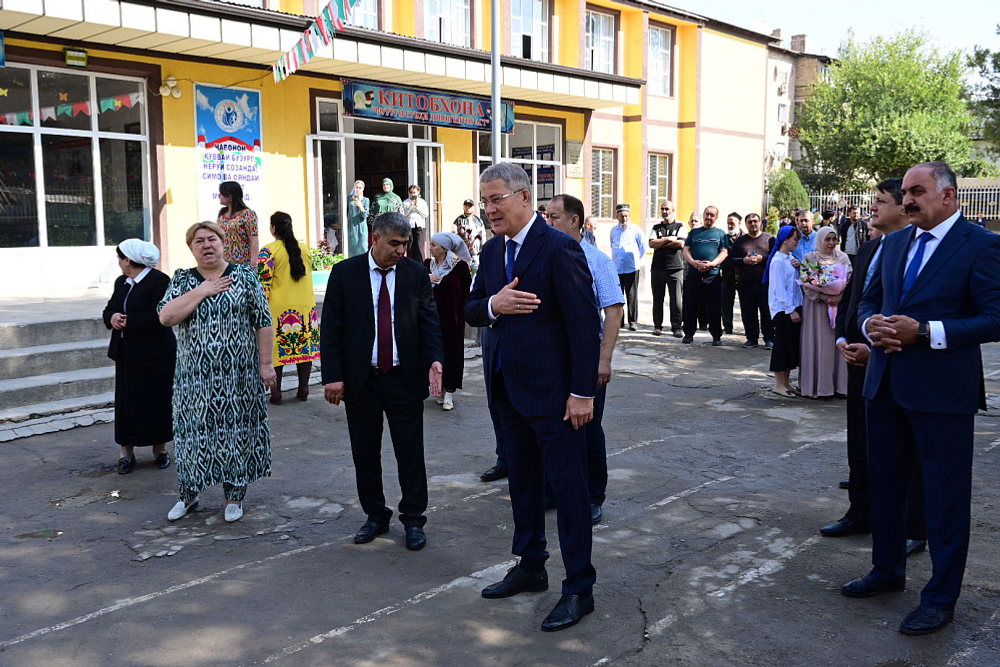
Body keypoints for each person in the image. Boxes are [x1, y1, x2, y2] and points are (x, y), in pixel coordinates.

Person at [843, 162, 1000, 636]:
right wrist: (872, 328)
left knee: (944, 498)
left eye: (918, 192)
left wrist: (926, 332)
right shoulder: (890, 244)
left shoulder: (982, 246)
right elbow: (869, 302)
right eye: (905, 193)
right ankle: (887, 571)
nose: (908, 200)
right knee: (886, 487)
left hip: (942, 393)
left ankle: (940, 597)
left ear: (949, 196)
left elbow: (994, 318)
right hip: (886, 382)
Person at [465, 162, 600, 633]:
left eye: (496, 199)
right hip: (507, 392)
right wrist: (491, 305)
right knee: (522, 485)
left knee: (568, 493)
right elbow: (472, 307)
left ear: (525, 198)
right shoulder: (490, 252)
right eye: (484, 201)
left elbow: (585, 328)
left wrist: (583, 393)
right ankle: (530, 566)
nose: (489, 210)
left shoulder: (559, 248)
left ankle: (579, 587)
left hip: (557, 398)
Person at [320, 212, 444, 552]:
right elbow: (330, 328)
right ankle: (375, 515)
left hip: (404, 379)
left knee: (410, 453)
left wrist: (435, 360)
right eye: (394, 243)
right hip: (363, 381)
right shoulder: (346, 273)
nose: (400, 250)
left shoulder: (415, 274)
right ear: (375, 238)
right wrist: (332, 376)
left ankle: (414, 519)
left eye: (405, 244)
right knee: (365, 452)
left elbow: (429, 323)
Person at [824, 178, 926, 556]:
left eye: (880, 202)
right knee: (860, 442)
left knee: (907, 449)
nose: (872, 208)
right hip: (857, 362)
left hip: (895, 360)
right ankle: (860, 511)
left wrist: (876, 348)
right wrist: (842, 340)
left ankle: (915, 526)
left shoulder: (916, 254)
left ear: (903, 208)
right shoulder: (868, 249)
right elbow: (851, 302)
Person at [158, 222, 276, 523]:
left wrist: (265, 364)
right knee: (191, 436)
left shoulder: (245, 276)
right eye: (199, 241)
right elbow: (166, 316)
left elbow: (263, 321)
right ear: (191, 248)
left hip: (238, 377)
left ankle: (234, 497)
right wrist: (202, 290)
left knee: (236, 434)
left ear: (223, 243)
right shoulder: (183, 280)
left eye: (212, 239)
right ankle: (188, 494)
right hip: (194, 379)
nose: (207, 245)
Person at [547, 194, 624, 525]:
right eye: (545, 216)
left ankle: (593, 496)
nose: (546, 222)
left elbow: (614, 310)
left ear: (574, 221)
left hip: (586, 360)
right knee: (552, 428)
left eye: (554, 217)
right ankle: (554, 490)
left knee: (588, 429)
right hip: (550, 360)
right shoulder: (544, 255)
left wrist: (603, 360)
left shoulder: (597, 261)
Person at [103, 239, 176, 475]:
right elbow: (109, 308)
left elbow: (162, 316)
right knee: (127, 404)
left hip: (155, 353)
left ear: (128, 260)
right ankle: (126, 453)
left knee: (156, 402)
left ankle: (160, 450)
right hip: (126, 353)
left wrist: (129, 321)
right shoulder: (122, 282)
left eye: (120, 257)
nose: (119, 262)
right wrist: (113, 317)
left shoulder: (159, 281)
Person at [258, 212, 321, 404]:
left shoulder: (268, 251)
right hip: (305, 308)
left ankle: (276, 393)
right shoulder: (305, 249)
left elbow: (263, 285)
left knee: (276, 350)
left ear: (274, 228)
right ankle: (303, 389)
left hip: (279, 309)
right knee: (304, 348)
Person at [799, 225, 851, 398]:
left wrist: (839, 297)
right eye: (827, 239)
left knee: (836, 344)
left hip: (838, 308)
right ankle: (819, 387)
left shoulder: (842, 258)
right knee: (818, 344)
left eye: (834, 239)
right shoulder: (810, 258)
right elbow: (806, 284)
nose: (831, 243)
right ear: (820, 240)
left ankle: (839, 386)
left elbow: (849, 281)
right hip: (816, 309)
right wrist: (825, 298)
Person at [426, 232, 473, 411]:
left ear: (445, 248)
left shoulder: (459, 267)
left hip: (452, 319)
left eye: (434, 245)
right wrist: (426, 278)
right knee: (434, 352)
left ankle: (449, 393)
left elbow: (466, 293)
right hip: (431, 318)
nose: (431, 248)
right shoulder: (426, 265)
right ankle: (440, 387)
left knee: (452, 353)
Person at [681, 206, 729, 345]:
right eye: (707, 214)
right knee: (690, 305)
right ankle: (688, 334)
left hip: (712, 276)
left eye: (712, 215)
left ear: (716, 217)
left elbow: (724, 252)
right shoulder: (694, 233)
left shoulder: (721, 234)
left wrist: (712, 264)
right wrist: (693, 263)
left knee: (714, 307)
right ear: (703, 216)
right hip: (694, 274)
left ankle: (716, 335)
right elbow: (686, 250)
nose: (709, 217)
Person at [764, 225, 802, 397]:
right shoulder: (778, 261)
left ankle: (786, 383)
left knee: (790, 347)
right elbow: (779, 291)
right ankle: (778, 383)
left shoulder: (790, 258)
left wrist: (799, 267)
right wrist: (790, 310)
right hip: (783, 310)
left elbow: (795, 285)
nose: (797, 242)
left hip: (793, 307)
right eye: (795, 238)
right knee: (781, 346)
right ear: (785, 239)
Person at [729, 213, 775, 349]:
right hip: (746, 283)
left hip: (765, 283)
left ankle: (769, 338)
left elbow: (776, 257)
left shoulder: (770, 239)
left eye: (755, 221)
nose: (753, 224)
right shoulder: (740, 241)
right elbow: (731, 260)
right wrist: (744, 261)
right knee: (748, 312)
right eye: (750, 222)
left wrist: (762, 259)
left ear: (760, 222)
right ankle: (752, 338)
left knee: (766, 312)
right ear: (746, 224)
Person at [648, 200, 687, 337]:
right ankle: (657, 326)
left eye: (667, 209)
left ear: (673, 210)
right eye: (662, 209)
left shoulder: (680, 225)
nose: (664, 211)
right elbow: (652, 244)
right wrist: (669, 239)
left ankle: (676, 327)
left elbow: (681, 243)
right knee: (657, 298)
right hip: (657, 268)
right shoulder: (656, 227)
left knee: (676, 300)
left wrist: (661, 242)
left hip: (675, 268)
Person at [610, 204, 646, 331]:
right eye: (621, 216)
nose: (624, 219)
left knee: (632, 295)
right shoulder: (614, 230)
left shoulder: (636, 229)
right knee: (618, 296)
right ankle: (620, 321)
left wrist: (635, 259)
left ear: (629, 216)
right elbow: (612, 245)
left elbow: (643, 247)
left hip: (631, 268)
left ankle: (632, 321)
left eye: (626, 216)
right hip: (617, 267)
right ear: (617, 216)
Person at [216, 180, 259, 266]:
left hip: (243, 264)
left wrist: (253, 265)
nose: (219, 196)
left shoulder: (247, 214)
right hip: (224, 264)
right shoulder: (221, 214)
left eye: (221, 193)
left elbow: (254, 241)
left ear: (230, 196)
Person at [720, 212, 744, 335]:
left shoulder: (745, 238)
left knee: (745, 305)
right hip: (727, 275)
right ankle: (727, 326)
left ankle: (748, 329)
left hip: (743, 277)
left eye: (732, 223)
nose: (730, 225)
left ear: (739, 224)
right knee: (725, 303)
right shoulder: (724, 238)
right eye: (728, 223)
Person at [402, 184, 429, 263]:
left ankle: (421, 266)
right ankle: (410, 265)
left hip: (419, 226)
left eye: (414, 192)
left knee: (419, 247)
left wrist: (417, 207)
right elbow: (403, 214)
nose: (412, 194)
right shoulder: (406, 202)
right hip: (409, 226)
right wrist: (411, 206)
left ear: (418, 192)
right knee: (410, 247)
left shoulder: (422, 202)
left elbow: (425, 214)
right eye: (411, 192)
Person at [454, 197, 485, 266]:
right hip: (463, 255)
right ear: (463, 207)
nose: (467, 208)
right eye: (466, 206)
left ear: (474, 207)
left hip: (477, 255)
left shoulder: (478, 221)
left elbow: (483, 236)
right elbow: (454, 235)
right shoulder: (458, 220)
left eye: (470, 206)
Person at [348, 180, 370, 258]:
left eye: (360, 188)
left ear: (363, 189)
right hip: (352, 228)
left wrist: (360, 206)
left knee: (363, 248)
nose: (358, 189)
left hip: (361, 227)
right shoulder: (349, 199)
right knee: (352, 249)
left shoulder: (366, 200)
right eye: (356, 187)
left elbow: (365, 215)